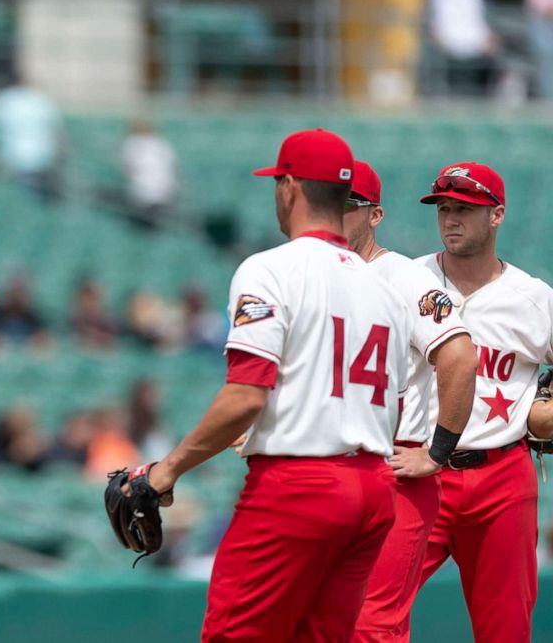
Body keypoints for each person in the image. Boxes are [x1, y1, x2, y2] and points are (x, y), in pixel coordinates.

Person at [130, 129, 412, 640]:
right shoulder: (387, 288)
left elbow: (246, 394)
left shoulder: (270, 269)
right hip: (373, 486)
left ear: (289, 188)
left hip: (300, 486)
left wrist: (164, 471)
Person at [412, 162, 552, 641]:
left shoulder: (533, 298)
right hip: (416, 472)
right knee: (369, 609)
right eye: (444, 208)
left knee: (505, 630)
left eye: (465, 209)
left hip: (501, 477)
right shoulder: (406, 282)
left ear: (497, 215)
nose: (450, 219)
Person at [342, 160, 478, 641]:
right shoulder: (321, 274)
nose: (337, 215)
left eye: (349, 205)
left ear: (375, 214)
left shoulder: (402, 277)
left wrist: (437, 452)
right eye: (327, 203)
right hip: (335, 467)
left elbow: (460, 358)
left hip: (393, 465)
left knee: (372, 624)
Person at [120, 119, 178, 227]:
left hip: (145, 193)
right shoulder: (160, 143)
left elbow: (128, 170)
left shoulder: (132, 143)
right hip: (165, 191)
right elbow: (174, 167)